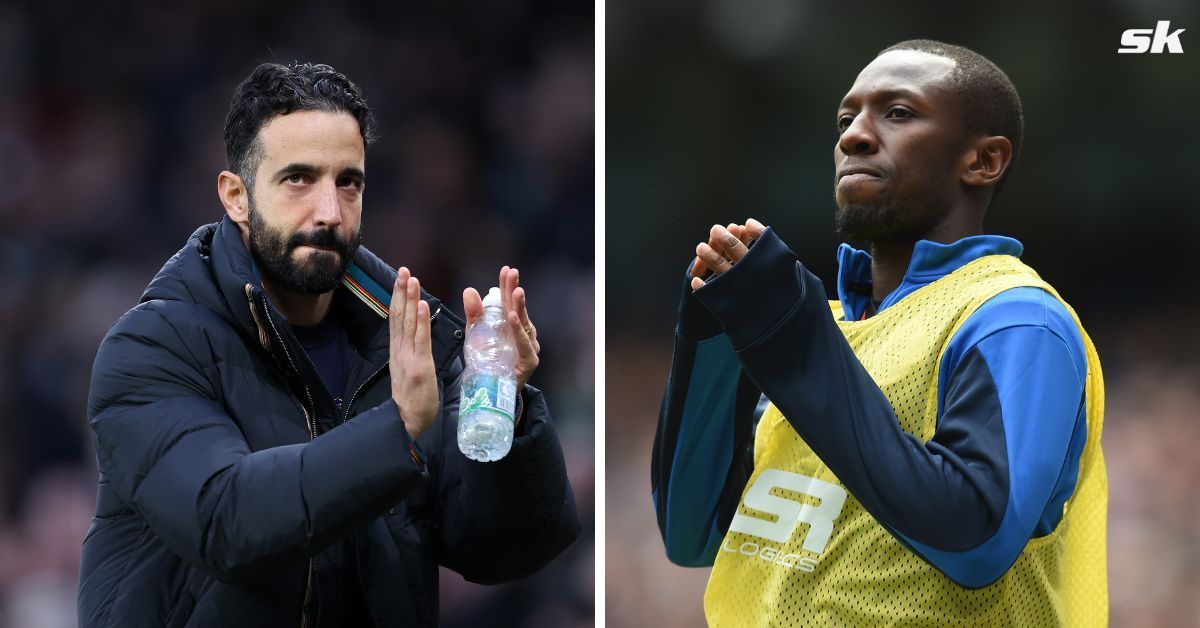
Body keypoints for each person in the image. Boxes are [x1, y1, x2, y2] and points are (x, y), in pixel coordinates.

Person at [78, 62, 580, 627]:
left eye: (349, 182)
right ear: (236, 196)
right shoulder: (151, 349)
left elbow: (504, 550)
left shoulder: (412, 342)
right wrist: (397, 428)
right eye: (298, 179)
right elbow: (226, 522)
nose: (329, 212)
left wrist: (502, 411)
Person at [652, 40, 1105, 625]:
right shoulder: (835, 328)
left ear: (983, 160)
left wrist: (793, 340)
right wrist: (712, 346)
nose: (853, 137)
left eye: (897, 113)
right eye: (846, 119)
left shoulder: (1016, 320)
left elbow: (975, 538)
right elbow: (695, 536)